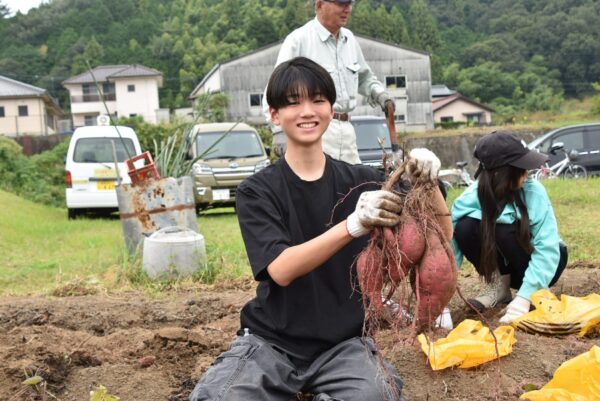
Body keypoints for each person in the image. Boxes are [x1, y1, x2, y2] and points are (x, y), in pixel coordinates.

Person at [189, 56, 450, 401]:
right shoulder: (257, 190)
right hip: (271, 342)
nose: (307, 111)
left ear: (331, 109)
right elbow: (281, 269)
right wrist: (352, 225)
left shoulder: (363, 182)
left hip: (344, 344)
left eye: (317, 100)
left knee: (377, 394)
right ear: (274, 115)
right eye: (293, 103)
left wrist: (428, 181)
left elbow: (442, 234)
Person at [451, 131, 568, 324]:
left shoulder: (534, 192)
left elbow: (547, 248)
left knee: (504, 230)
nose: (527, 173)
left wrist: (524, 299)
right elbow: (450, 250)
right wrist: (441, 295)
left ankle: (534, 291)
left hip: (549, 261)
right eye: (521, 167)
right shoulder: (469, 199)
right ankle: (499, 288)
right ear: (501, 173)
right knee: (464, 227)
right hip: (509, 265)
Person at [263, 0, 394, 164]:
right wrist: (278, 131)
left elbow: (365, 78)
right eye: (341, 4)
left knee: (353, 179)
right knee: (317, 179)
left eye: (350, 4)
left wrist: (380, 94)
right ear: (319, 4)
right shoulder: (299, 40)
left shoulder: (349, 39)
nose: (347, 9)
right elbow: (274, 89)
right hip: (314, 129)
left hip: (347, 131)